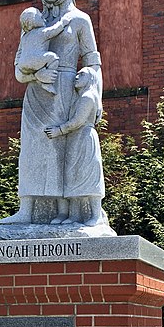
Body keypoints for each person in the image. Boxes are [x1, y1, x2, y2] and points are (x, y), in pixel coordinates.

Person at [0, 0, 102, 225]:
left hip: (65, 90)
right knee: (31, 149)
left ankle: (64, 210)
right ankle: (27, 211)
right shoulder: (33, 21)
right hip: (36, 94)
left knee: (59, 148)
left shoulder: (80, 20)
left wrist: (94, 95)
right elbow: (19, 70)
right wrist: (36, 76)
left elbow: (92, 61)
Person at [44, 67, 105, 226]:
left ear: (91, 79)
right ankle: (75, 215)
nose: (76, 77)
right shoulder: (79, 97)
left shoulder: (88, 97)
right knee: (73, 175)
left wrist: (59, 130)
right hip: (75, 139)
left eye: (81, 74)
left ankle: (96, 216)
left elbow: (78, 121)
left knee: (89, 175)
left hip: (84, 138)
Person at [15, 7, 74, 95]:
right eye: (39, 16)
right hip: (36, 60)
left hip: (22, 65)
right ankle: (46, 82)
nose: (43, 17)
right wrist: (63, 22)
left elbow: (19, 54)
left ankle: (38, 76)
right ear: (34, 21)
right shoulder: (42, 32)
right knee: (53, 58)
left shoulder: (24, 37)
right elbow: (54, 30)